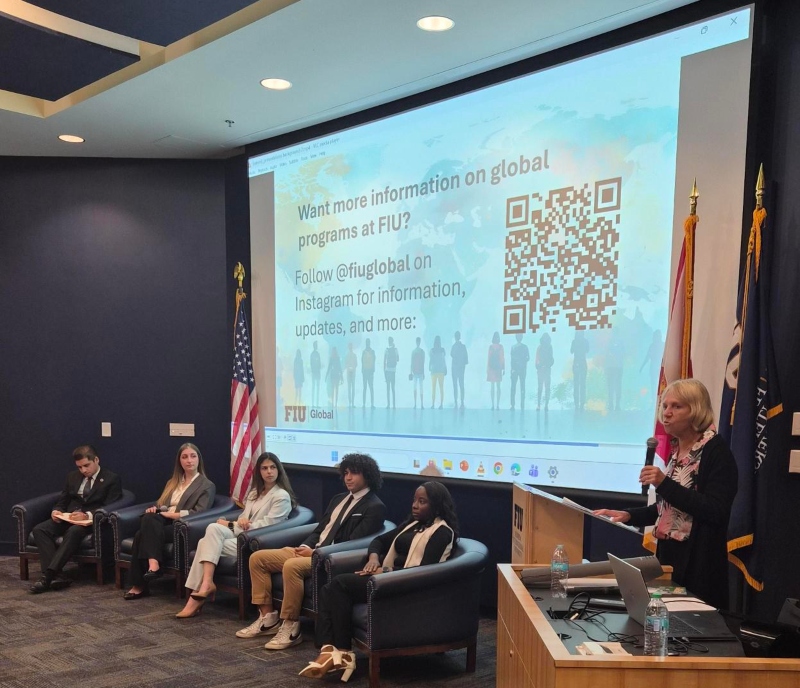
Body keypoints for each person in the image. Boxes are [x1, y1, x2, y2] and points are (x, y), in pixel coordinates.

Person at [594, 379, 737, 610]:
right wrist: (630, 515)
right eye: (664, 406)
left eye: (676, 407)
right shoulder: (678, 450)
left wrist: (663, 483)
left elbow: (715, 510)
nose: (666, 413)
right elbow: (669, 509)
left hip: (699, 565)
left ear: (696, 410)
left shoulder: (716, 452)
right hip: (670, 558)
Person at [301, 481, 458, 681]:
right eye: (414, 500)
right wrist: (374, 559)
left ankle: (338, 653)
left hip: (402, 586)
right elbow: (379, 541)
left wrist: (385, 570)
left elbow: (423, 572)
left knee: (339, 585)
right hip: (385, 578)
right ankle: (333, 650)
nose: (415, 505)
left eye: (422, 502)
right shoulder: (412, 525)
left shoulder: (442, 532)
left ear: (437, 505)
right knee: (330, 588)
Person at [236, 453, 386, 650]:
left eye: (354, 473)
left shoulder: (374, 506)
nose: (348, 478)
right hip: (314, 551)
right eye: (346, 473)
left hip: (329, 558)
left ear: (367, 475)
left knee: (291, 566)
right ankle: (268, 618)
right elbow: (320, 530)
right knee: (258, 558)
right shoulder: (339, 499)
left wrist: (317, 553)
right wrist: (306, 547)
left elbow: (353, 543)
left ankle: (291, 626)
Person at [176, 452, 296, 618]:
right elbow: (243, 518)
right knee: (212, 529)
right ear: (259, 472)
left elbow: (268, 526)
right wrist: (241, 521)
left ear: (279, 470)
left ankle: (197, 595)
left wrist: (231, 525)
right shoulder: (255, 493)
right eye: (264, 468)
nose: (269, 471)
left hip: (257, 541)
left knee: (205, 544)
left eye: (272, 467)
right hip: (242, 535)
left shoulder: (281, 496)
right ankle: (206, 584)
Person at [124, 443, 215, 600]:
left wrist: (173, 515)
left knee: (141, 535)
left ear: (199, 459)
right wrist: (156, 510)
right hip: (161, 524)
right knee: (148, 519)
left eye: (193, 456)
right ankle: (153, 567)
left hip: (182, 527)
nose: (189, 461)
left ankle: (140, 583)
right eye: (184, 457)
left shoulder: (206, 485)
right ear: (179, 461)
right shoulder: (172, 482)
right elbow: (162, 505)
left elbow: (200, 512)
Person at [30, 445, 123, 594]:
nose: (84, 470)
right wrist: (57, 510)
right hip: (69, 517)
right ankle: (57, 576)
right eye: (80, 467)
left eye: (87, 465)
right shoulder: (72, 477)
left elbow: (111, 505)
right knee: (39, 529)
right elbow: (63, 499)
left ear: (96, 460)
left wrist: (87, 515)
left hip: (91, 522)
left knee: (74, 531)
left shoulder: (111, 479)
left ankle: (48, 576)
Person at [509, 333, 530, 410]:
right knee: (522, 387)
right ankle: (522, 405)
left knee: (513, 387)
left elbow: (512, 360)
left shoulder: (513, 347)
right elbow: (528, 358)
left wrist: (512, 369)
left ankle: (512, 405)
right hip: (522, 369)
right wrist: (522, 361)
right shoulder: (525, 347)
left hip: (515, 370)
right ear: (522, 337)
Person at [571, 330, 589, 412]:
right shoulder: (585, 341)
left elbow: (571, 351)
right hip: (583, 364)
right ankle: (581, 404)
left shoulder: (574, 341)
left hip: (576, 364)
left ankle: (577, 404)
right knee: (582, 385)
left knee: (576, 385)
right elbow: (587, 350)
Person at [535, 333, 554, 411]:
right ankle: (545, 405)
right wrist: (547, 365)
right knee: (546, 388)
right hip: (545, 370)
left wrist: (539, 366)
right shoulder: (550, 347)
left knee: (541, 388)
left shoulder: (540, 347)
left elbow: (537, 359)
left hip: (542, 370)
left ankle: (540, 405)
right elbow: (551, 359)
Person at [487, 331, 505, 410]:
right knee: (498, 387)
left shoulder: (490, 347)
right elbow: (502, 358)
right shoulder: (501, 347)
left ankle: (492, 405)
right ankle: (498, 404)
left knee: (492, 387)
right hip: (498, 369)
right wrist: (503, 368)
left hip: (491, 369)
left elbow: (488, 359)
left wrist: (487, 369)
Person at [451, 331, 468, 409]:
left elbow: (452, 355)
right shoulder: (463, 346)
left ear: (455, 337)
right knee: (461, 385)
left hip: (455, 368)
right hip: (461, 368)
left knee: (455, 385)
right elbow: (466, 359)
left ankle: (455, 401)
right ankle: (462, 402)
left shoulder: (454, 346)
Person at [429, 335, 447, 409]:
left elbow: (431, 360)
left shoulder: (432, 350)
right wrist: (445, 368)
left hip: (434, 370)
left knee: (433, 388)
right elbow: (443, 360)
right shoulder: (443, 350)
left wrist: (429, 367)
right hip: (441, 371)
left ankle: (433, 404)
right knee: (441, 388)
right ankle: (441, 404)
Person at [410, 336, 425, 408]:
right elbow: (423, 363)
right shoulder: (422, 352)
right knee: (419, 388)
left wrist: (411, 372)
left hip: (416, 372)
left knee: (416, 388)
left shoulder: (414, 351)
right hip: (418, 372)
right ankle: (419, 404)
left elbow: (412, 363)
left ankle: (417, 404)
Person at [384, 337, 399, 408]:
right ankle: (394, 405)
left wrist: (384, 373)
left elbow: (384, 362)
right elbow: (398, 359)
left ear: (388, 342)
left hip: (387, 371)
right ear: (392, 341)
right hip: (393, 371)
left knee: (388, 388)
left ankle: (388, 404)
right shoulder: (396, 350)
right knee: (393, 388)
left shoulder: (386, 350)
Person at [362, 338, 375, 408]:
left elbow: (374, 362)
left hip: (370, 372)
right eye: (367, 342)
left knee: (371, 388)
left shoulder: (372, 351)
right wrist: (362, 371)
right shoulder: (363, 352)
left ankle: (372, 404)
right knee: (365, 388)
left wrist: (373, 370)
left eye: (368, 342)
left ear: (369, 343)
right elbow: (362, 362)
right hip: (365, 372)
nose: (367, 343)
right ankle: (364, 404)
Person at [345, 343, 358, 407]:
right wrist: (349, 367)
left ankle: (352, 402)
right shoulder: (347, 355)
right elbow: (346, 364)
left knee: (353, 388)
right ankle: (350, 402)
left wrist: (352, 368)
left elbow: (356, 364)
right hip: (348, 373)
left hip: (353, 373)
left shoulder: (354, 355)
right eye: (349, 346)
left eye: (351, 346)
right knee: (349, 388)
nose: (350, 348)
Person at [310, 341, 321, 407]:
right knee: (315, 388)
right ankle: (313, 404)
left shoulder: (316, 354)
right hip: (315, 372)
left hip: (316, 372)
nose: (316, 346)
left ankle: (316, 404)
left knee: (316, 388)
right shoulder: (314, 354)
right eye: (316, 345)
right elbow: (312, 363)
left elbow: (318, 363)